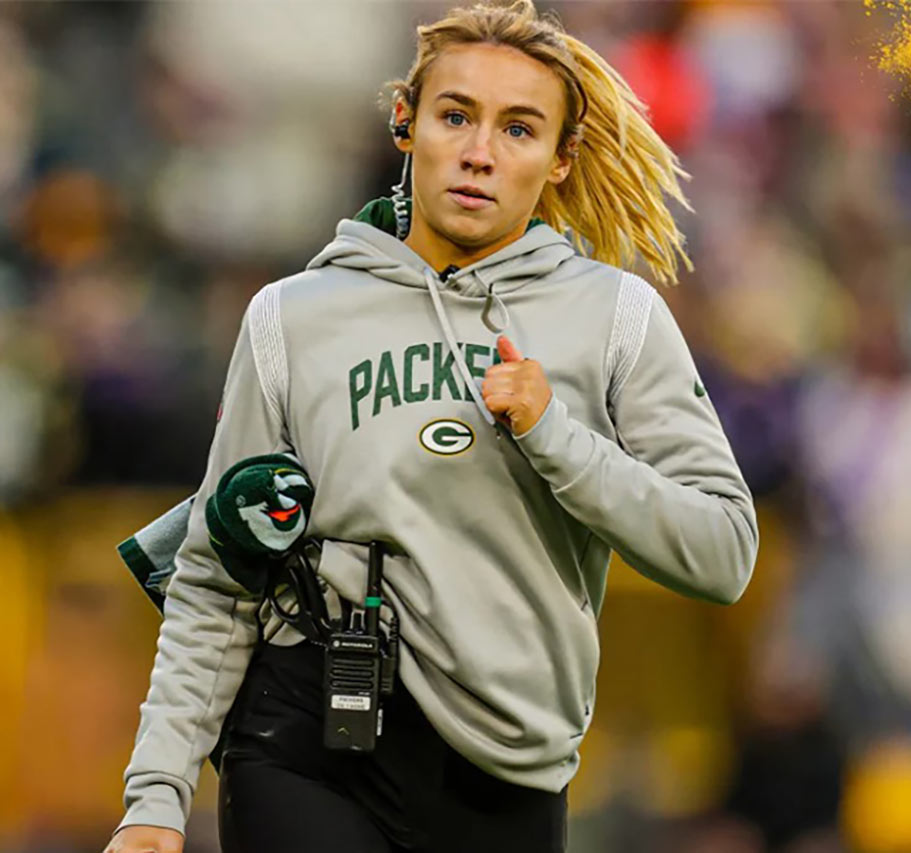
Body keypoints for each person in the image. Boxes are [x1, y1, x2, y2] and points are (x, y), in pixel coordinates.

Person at [104, 1, 759, 851]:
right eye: (456, 116)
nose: (480, 153)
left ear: (561, 160)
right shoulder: (294, 318)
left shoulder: (616, 317)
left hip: (509, 769)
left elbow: (723, 553)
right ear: (407, 126)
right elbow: (219, 567)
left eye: (519, 129)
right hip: (308, 741)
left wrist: (555, 432)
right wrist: (155, 799)